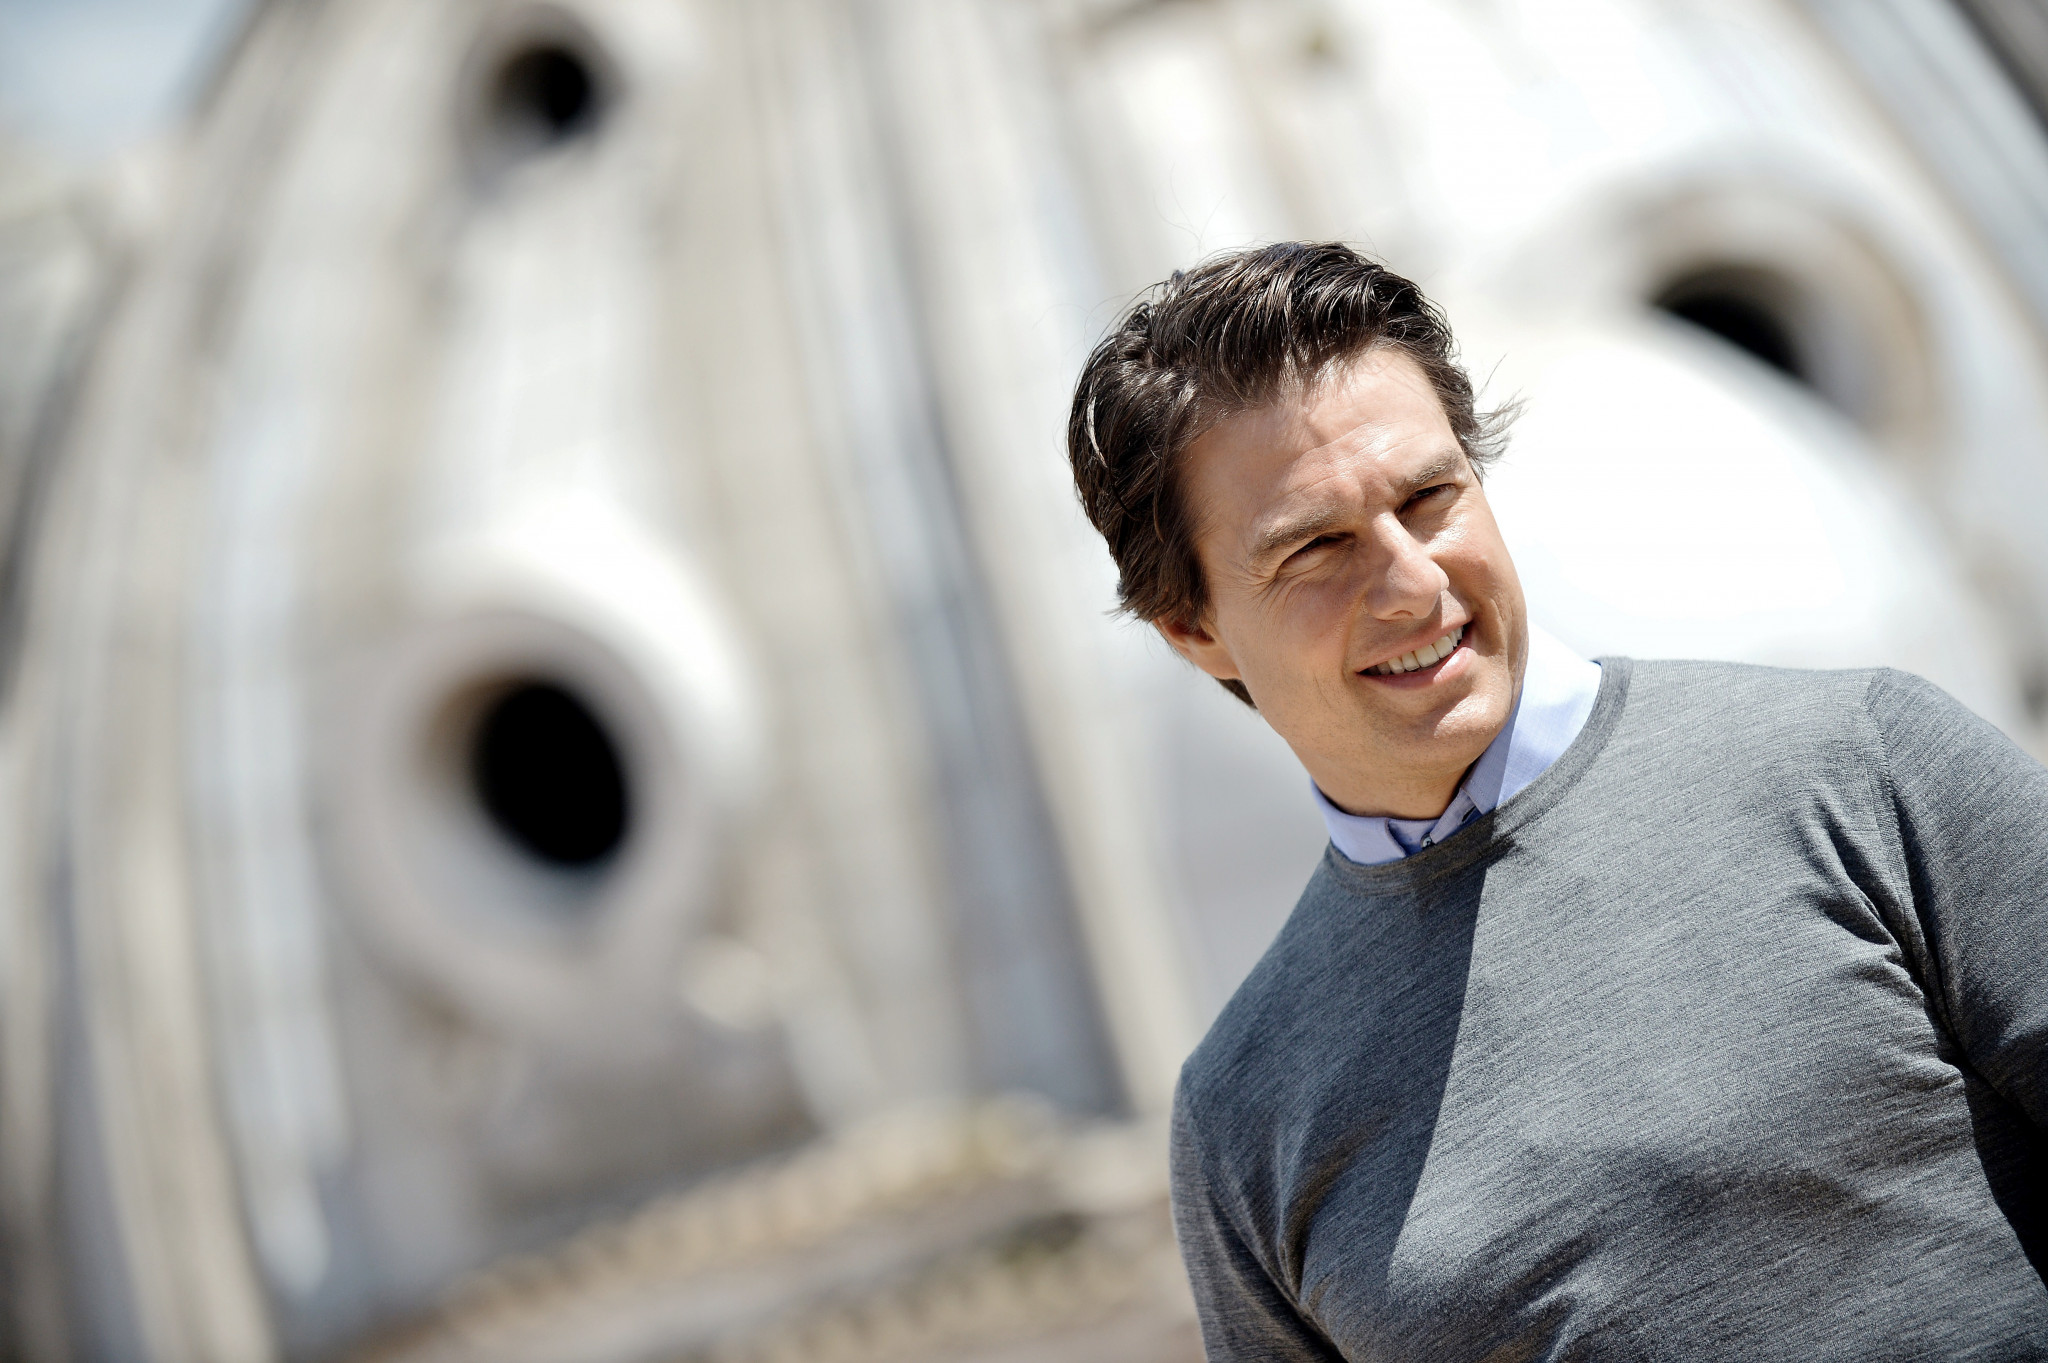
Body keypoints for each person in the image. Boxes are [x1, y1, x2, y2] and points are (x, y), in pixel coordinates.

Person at [1065, 242, 2048, 1358]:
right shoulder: (1243, 1115)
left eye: (1429, 497)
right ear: (1192, 629)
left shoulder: (1866, 765)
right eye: (1316, 547)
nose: (1412, 583)